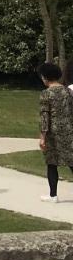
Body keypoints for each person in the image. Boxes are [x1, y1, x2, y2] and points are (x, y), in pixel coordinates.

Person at [38, 62, 73, 202]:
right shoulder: (68, 92)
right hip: (70, 131)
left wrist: (42, 137)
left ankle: (53, 195)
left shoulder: (46, 94)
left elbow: (44, 117)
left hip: (54, 133)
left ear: (45, 77)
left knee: (52, 163)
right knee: (72, 162)